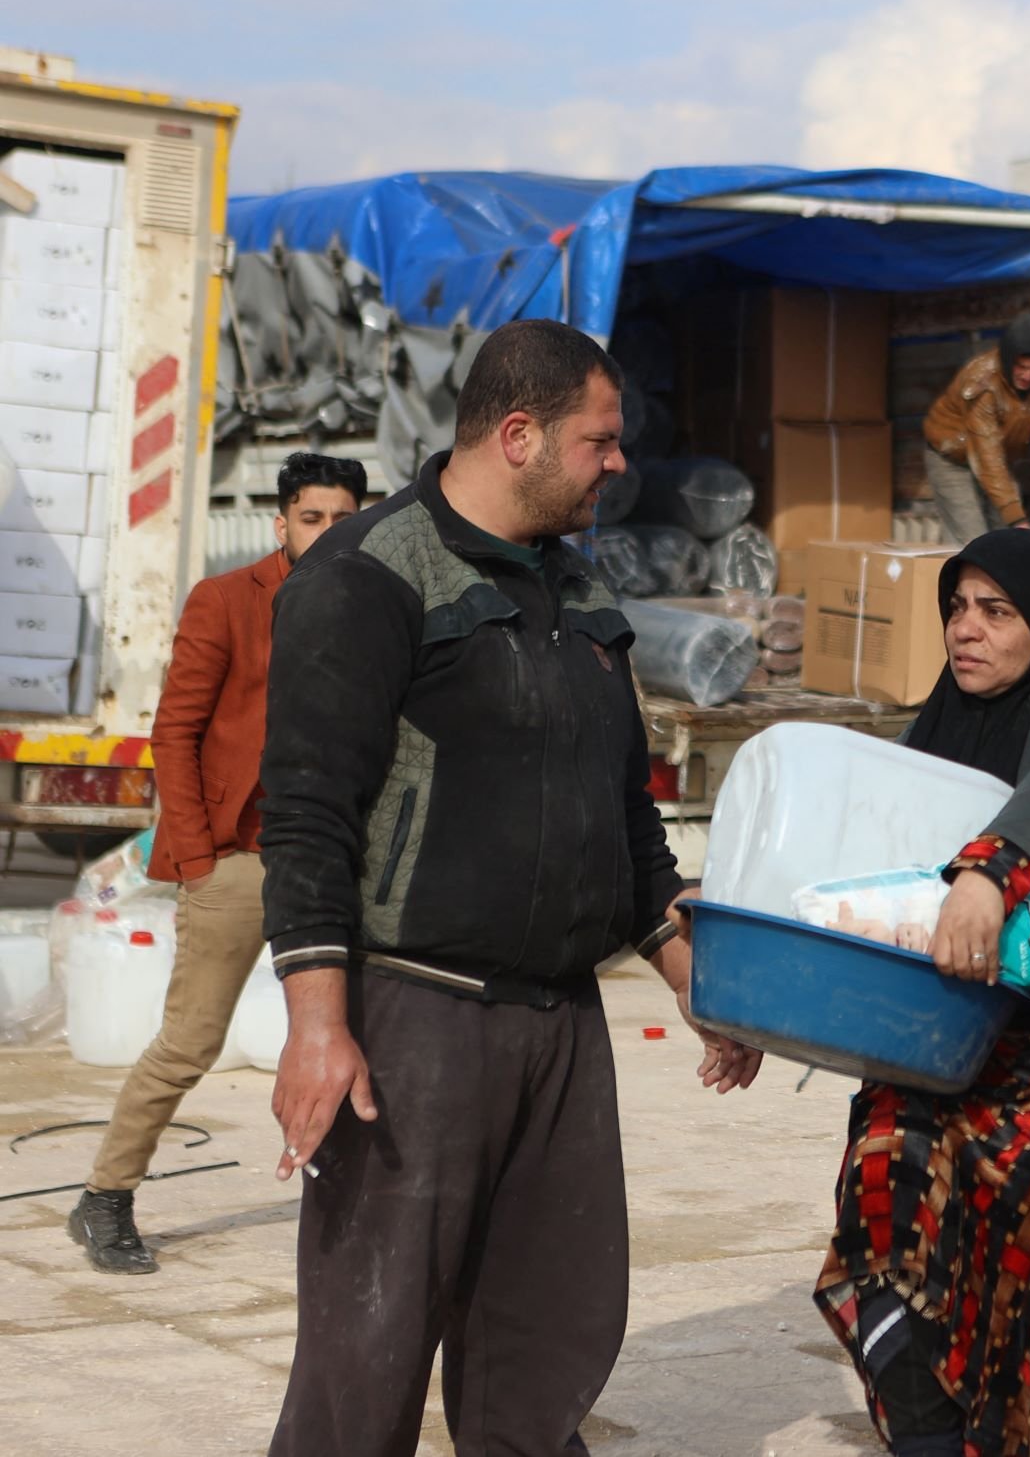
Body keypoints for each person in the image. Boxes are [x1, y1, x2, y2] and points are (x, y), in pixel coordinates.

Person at [256, 319, 762, 1457]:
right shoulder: (367, 575)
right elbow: (303, 812)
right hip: (414, 1027)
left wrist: (698, 979)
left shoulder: (576, 590)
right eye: (602, 440)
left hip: (560, 1030)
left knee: (549, 1347)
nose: (620, 463)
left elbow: (626, 823)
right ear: (520, 433)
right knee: (364, 1362)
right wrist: (318, 1028)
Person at [814, 529, 1030, 1457]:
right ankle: (929, 1438)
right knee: (886, 1169)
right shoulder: (941, 722)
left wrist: (991, 874)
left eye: (996, 611)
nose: (968, 628)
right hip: (938, 1037)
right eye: (957, 607)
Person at [65, 451, 366, 1276]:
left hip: (332, 860)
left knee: (365, 1030)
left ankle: (359, 1202)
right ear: (282, 523)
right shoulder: (227, 600)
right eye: (314, 518)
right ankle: (105, 1197)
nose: (330, 534)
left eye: (346, 520)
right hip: (239, 859)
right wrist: (198, 859)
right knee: (190, 1041)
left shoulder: (370, 605)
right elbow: (176, 732)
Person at [921, 311, 1030, 545]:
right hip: (951, 457)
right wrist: (1018, 521)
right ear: (1008, 360)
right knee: (974, 540)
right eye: (1021, 367)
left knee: (1007, 540)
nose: (1028, 375)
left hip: (999, 458)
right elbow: (987, 455)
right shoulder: (982, 380)